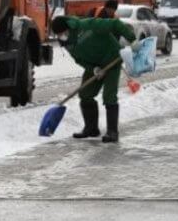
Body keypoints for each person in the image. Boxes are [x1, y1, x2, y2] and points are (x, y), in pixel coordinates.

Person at [51, 13, 136, 143]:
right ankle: (91, 129)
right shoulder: (66, 43)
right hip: (95, 66)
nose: (61, 36)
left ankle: (112, 132)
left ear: (68, 27)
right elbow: (78, 59)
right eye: (58, 34)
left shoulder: (88, 25)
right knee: (85, 94)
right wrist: (93, 69)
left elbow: (115, 24)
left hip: (112, 59)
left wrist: (132, 39)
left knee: (109, 96)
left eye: (62, 32)